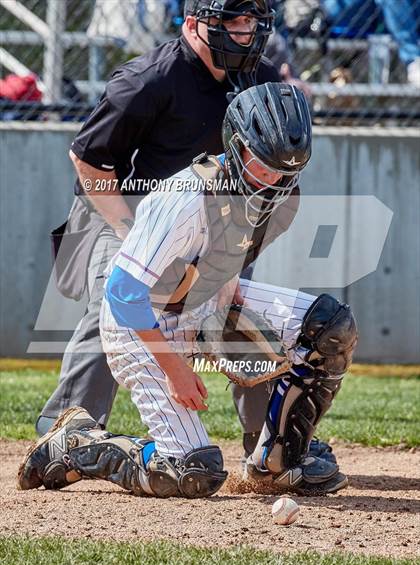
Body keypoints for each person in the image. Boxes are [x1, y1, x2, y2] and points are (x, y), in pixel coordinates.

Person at [19, 83, 357, 498]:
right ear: (235, 146)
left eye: (286, 171)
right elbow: (123, 293)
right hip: (140, 327)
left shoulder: (274, 194)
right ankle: (77, 444)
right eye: (263, 166)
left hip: (201, 305)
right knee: (192, 472)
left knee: (330, 327)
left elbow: (222, 255)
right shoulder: (186, 197)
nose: (273, 181)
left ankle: (278, 461)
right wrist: (176, 370)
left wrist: (232, 318)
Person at [38, 0, 333, 464]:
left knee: (239, 319)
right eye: (232, 20)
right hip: (125, 213)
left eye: (251, 20)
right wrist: (134, 236)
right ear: (193, 24)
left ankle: (268, 443)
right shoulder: (150, 79)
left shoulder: (259, 77)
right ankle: (67, 432)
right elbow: (90, 161)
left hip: (214, 224)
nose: (245, 30)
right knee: (117, 304)